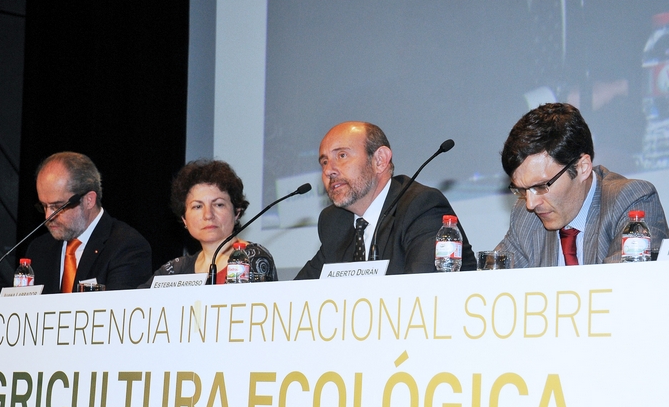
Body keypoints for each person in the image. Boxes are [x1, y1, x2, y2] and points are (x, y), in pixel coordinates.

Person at [496, 103, 669, 267]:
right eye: (522, 190)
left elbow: (623, 288)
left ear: (582, 167)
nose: (530, 203)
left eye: (541, 186)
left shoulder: (631, 201)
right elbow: (493, 284)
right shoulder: (525, 218)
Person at [295, 121, 476, 279]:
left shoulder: (421, 205)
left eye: (342, 155)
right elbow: (296, 294)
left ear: (380, 160)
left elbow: (422, 291)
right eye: (324, 162)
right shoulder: (334, 221)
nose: (328, 171)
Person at [26, 152, 152, 293]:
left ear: (89, 200)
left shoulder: (126, 247)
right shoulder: (39, 250)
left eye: (57, 207)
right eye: (44, 206)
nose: (48, 216)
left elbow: (117, 311)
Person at [142, 160, 277, 286]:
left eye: (218, 204)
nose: (208, 215)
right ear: (184, 219)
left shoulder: (250, 258)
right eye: (197, 206)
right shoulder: (174, 270)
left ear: (237, 212)